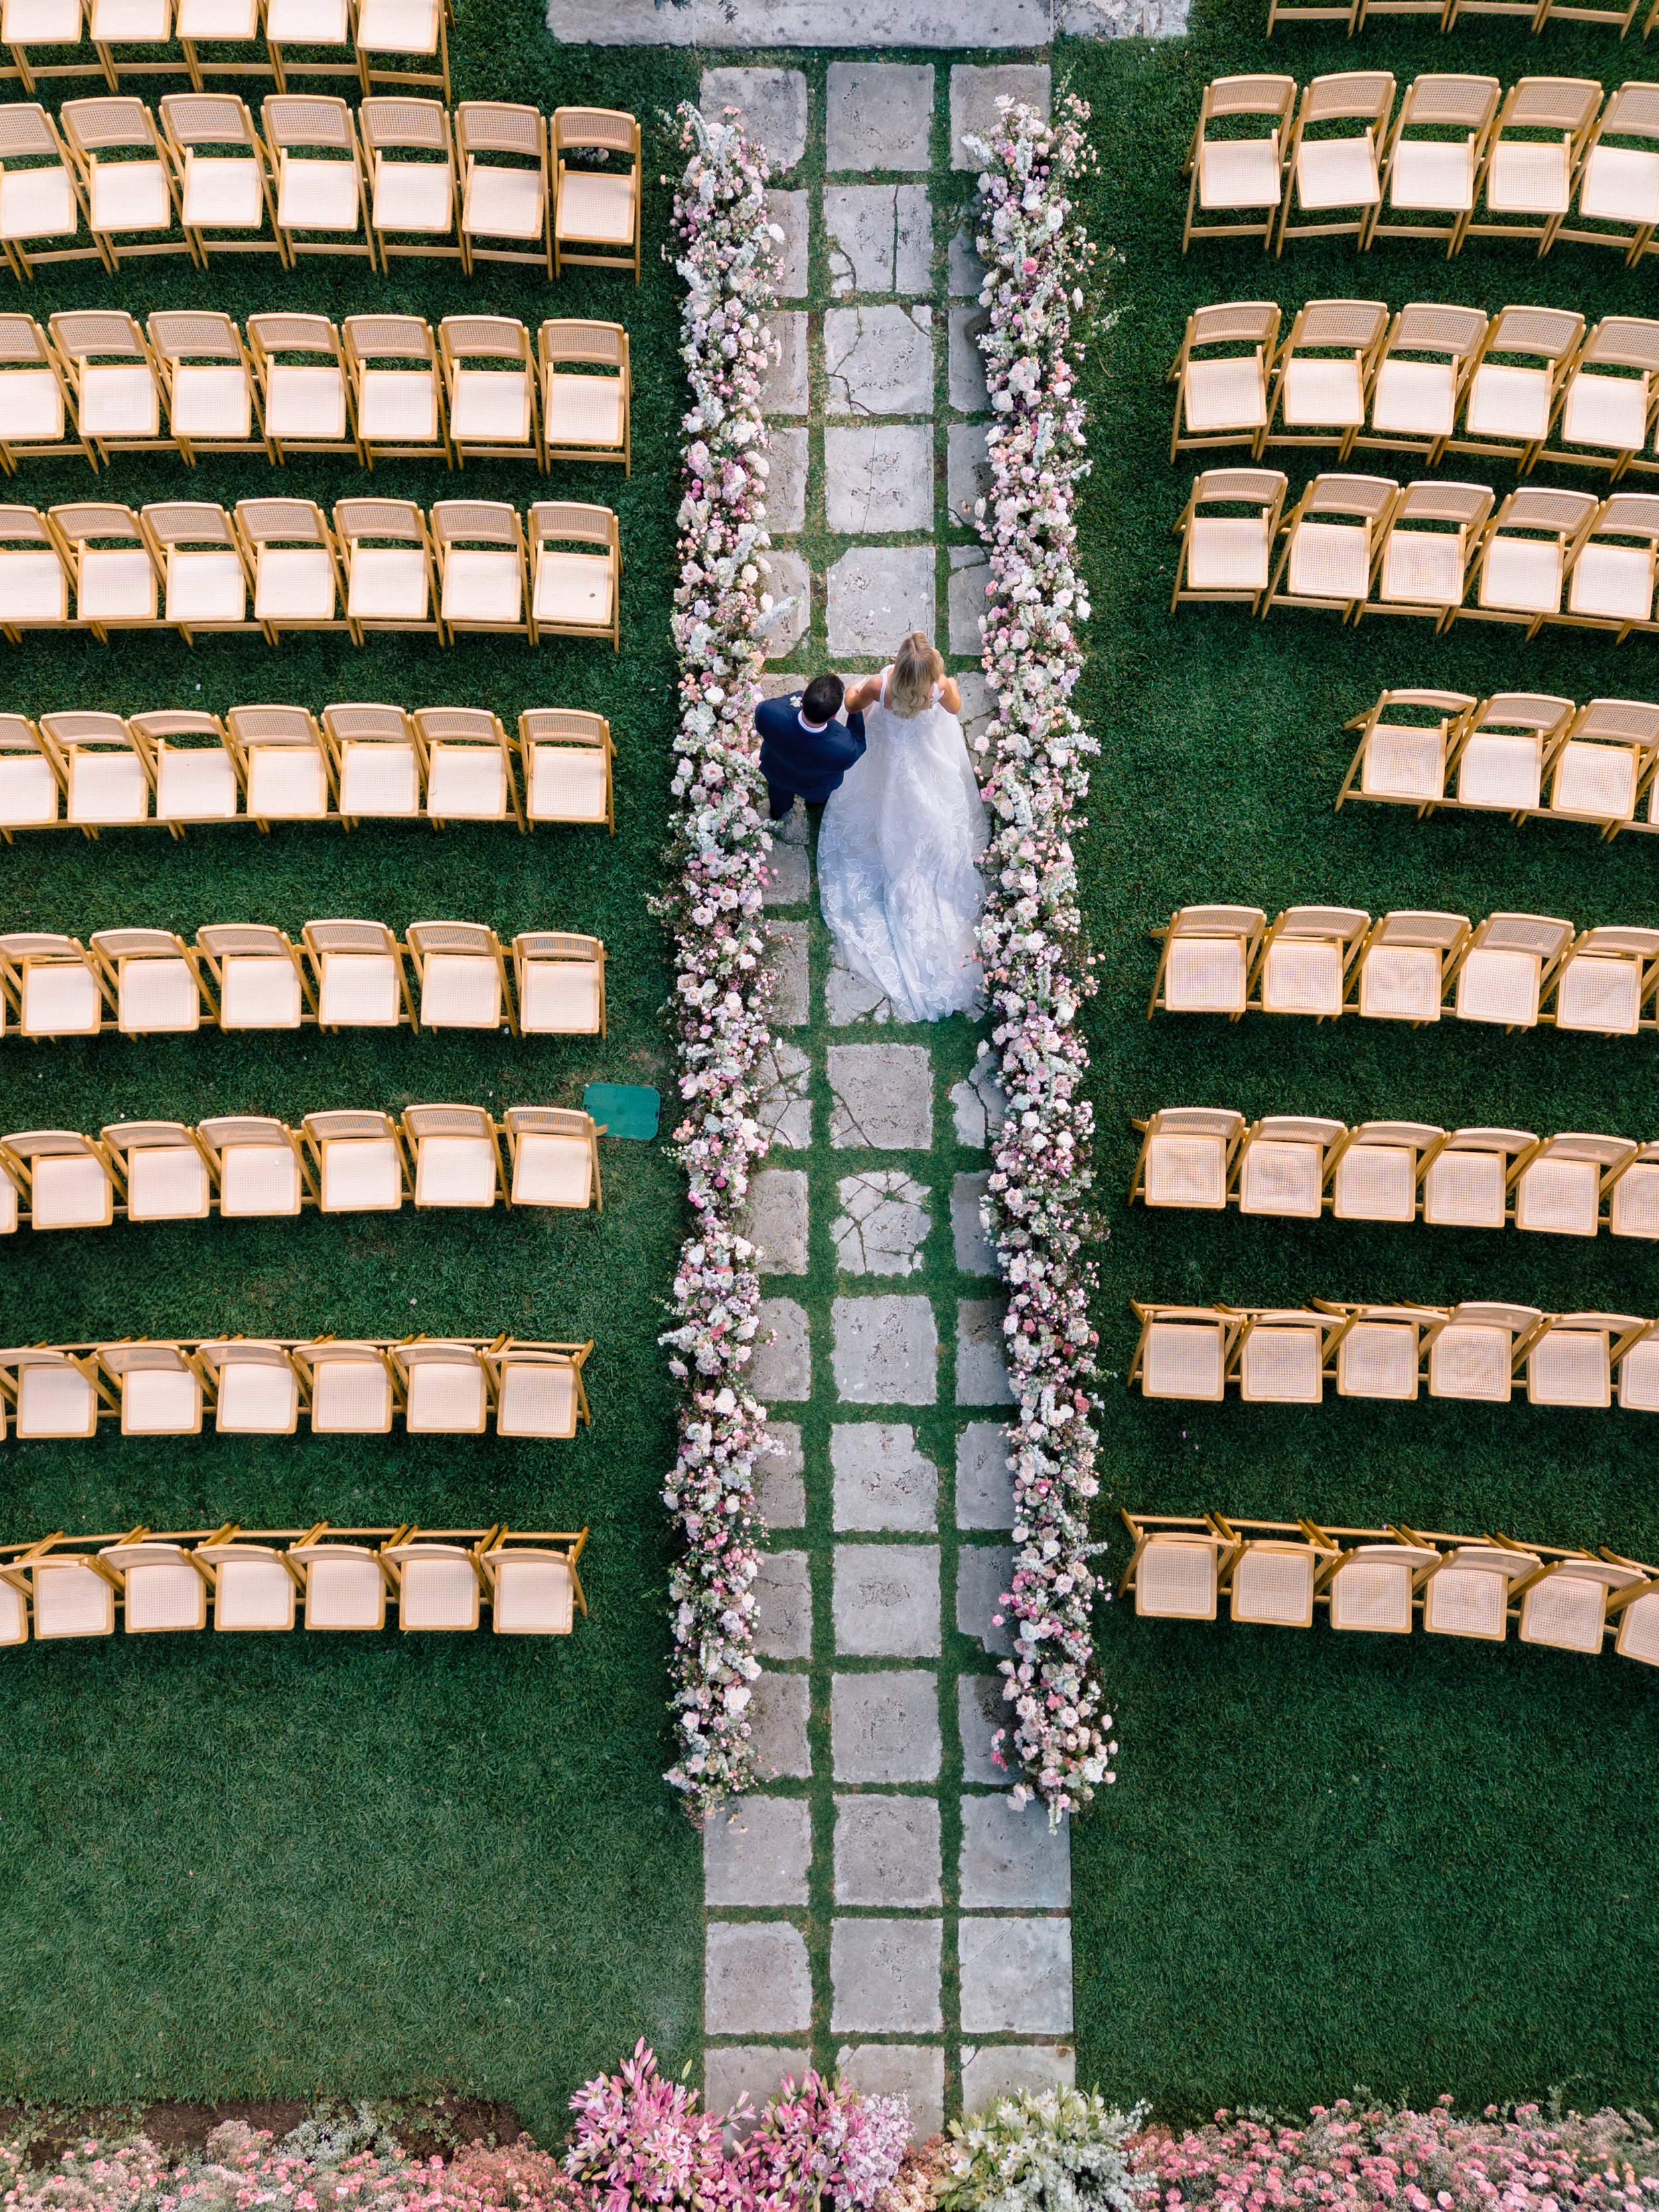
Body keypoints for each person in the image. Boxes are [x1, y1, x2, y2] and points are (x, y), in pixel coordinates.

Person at [816, 632, 988, 1024]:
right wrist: (949, 686)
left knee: (882, 798)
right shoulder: (939, 688)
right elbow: (955, 708)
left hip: (889, 753)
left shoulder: (882, 686)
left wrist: (857, 687)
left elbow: (851, 703)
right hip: (927, 749)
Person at [755, 671, 867, 832]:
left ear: (804, 696)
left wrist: (797, 696)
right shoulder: (844, 748)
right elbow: (859, 745)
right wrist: (854, 709)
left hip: (777, 773)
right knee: (816, 798)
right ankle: (813, 804)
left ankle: (777, 812)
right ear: (835, 715)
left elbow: (780, 704)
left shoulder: (768, 712)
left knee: (778, 796)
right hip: (815, 787)